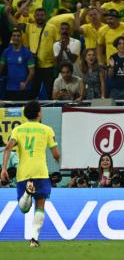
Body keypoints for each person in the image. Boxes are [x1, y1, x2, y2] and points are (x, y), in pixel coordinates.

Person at [1, 100, 60, 247]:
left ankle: (27, 194)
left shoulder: (17, 130)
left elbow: (7, 148)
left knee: (24, 208)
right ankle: (34, 239)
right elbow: (56, 154)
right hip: (40, 172)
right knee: (40, 206)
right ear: (39, 113)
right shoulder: (47, 129)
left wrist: (3, 169)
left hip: (24, 173)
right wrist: (57, 158)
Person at [5, 7, 58, 99]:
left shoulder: (52, 28)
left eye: (42, 15)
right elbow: (16, 24)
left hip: (49, 66)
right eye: (37, 15)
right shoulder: (30, 27)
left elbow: (58, 43)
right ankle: (31, 112)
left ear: (45, 16)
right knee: (33, 92)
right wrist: (8, 14)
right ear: (34, 16)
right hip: (35, 65)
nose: (39, 17)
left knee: (50, 91)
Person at [0, 28, 35, 100]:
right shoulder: (6, 52)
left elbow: (32, 72)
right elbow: (1, 68)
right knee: (10, 110)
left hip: (23, 88)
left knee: (23, 110)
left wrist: (25, 83)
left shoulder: (27, 53)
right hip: (9, 88)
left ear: (21, 37)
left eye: (18, 36)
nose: (16, 38)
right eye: (14, 36)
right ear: (11, 37)